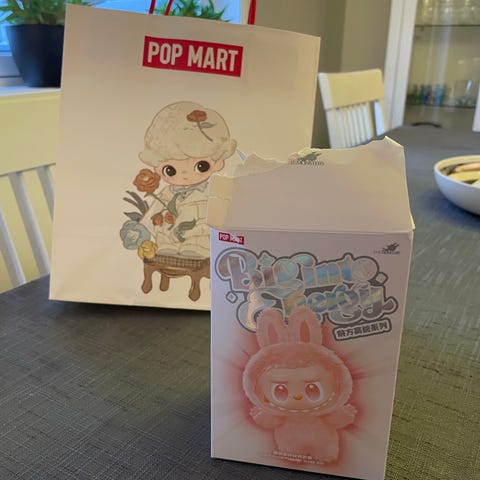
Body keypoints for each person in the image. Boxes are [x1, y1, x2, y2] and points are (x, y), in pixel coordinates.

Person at [139, 101, 237, 259]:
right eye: (170, 170)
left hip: (199, 236)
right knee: (164, 231)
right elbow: (153, 215)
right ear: (156, 166)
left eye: (201, 166)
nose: (184, 175)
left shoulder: (209, 192)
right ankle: (167, 245)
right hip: (168, 236)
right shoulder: (167, 193)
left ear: (218, 162)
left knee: (200, 236)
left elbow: (220, 217)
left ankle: (196, 247)